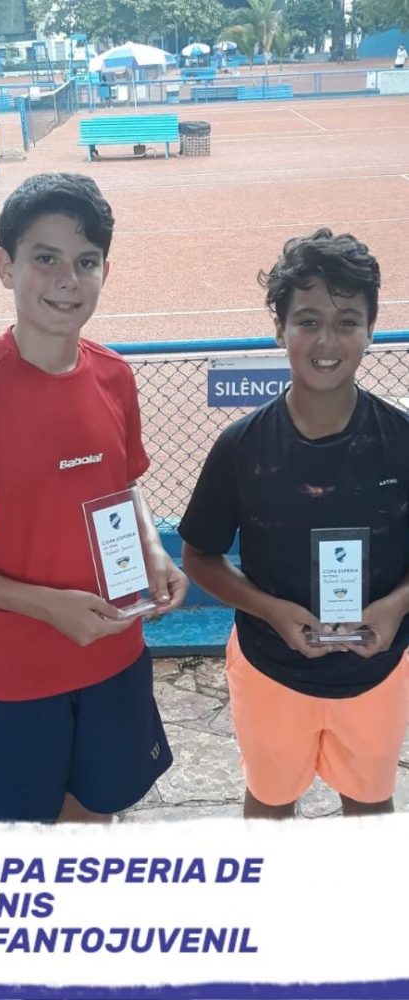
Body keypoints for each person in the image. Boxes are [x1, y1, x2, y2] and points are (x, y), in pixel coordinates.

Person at [0, 172, 187, 823]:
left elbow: (123, 488)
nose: (68, 279)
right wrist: (45, 606)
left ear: (104, 271)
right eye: (45, 258)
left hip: (117, 654)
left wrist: (153, 551)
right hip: (15, 676)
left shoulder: (114, 376)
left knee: (95, 822)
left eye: (85, 261)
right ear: (5, 267)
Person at [179, 228, 409, 820]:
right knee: (270, 805)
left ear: (371, 328)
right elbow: (200, 556)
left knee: (369, 805)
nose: (327, 341)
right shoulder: (241, 446)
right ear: (280, 329)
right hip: (270, 669)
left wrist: (395, 606)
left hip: (376, 671)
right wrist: (271, 611)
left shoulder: (402, 440)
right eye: (308, 321)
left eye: (347, 321)